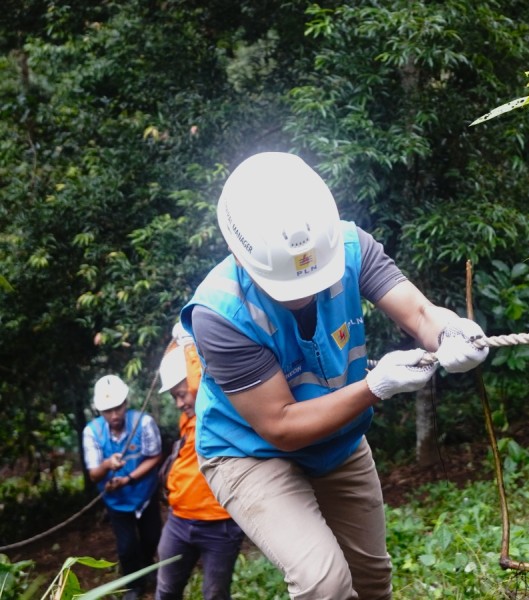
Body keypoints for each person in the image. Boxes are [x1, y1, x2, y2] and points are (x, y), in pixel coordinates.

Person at [179, 151, 489, 600]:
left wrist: (451, 331)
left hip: (337, 440)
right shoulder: (220, 314)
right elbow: (281, 426)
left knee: (371, 578)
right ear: (240, 256)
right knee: (322, 581)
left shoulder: (347, 247)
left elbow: (420, 312)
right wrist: (374, 387)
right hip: (249, 450)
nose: (306, 295)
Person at [154, 324, 245, 600]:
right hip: (180, 521)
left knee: (215, 595)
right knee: (166, 590)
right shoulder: (188, 418)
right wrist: (177, 342)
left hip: (221, 525)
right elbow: (180, 367)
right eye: (174, 397)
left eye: (182, 394)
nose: (179, 403)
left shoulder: (219, 411)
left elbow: (202, 379)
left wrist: (191, 346)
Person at [82, 374, 163, 600]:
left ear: (126, 403)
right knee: (126, 547)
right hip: (116, 502)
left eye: (118, 408)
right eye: (108, 411)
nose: (115, 415)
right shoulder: (93, 433)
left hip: (145, 494)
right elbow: (94, 473)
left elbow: (154, 456)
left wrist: (128, 479)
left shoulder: (143, 423)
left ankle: (147, 567)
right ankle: (133, 585)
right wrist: (108, 465)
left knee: (151, 537)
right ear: (100, 411)